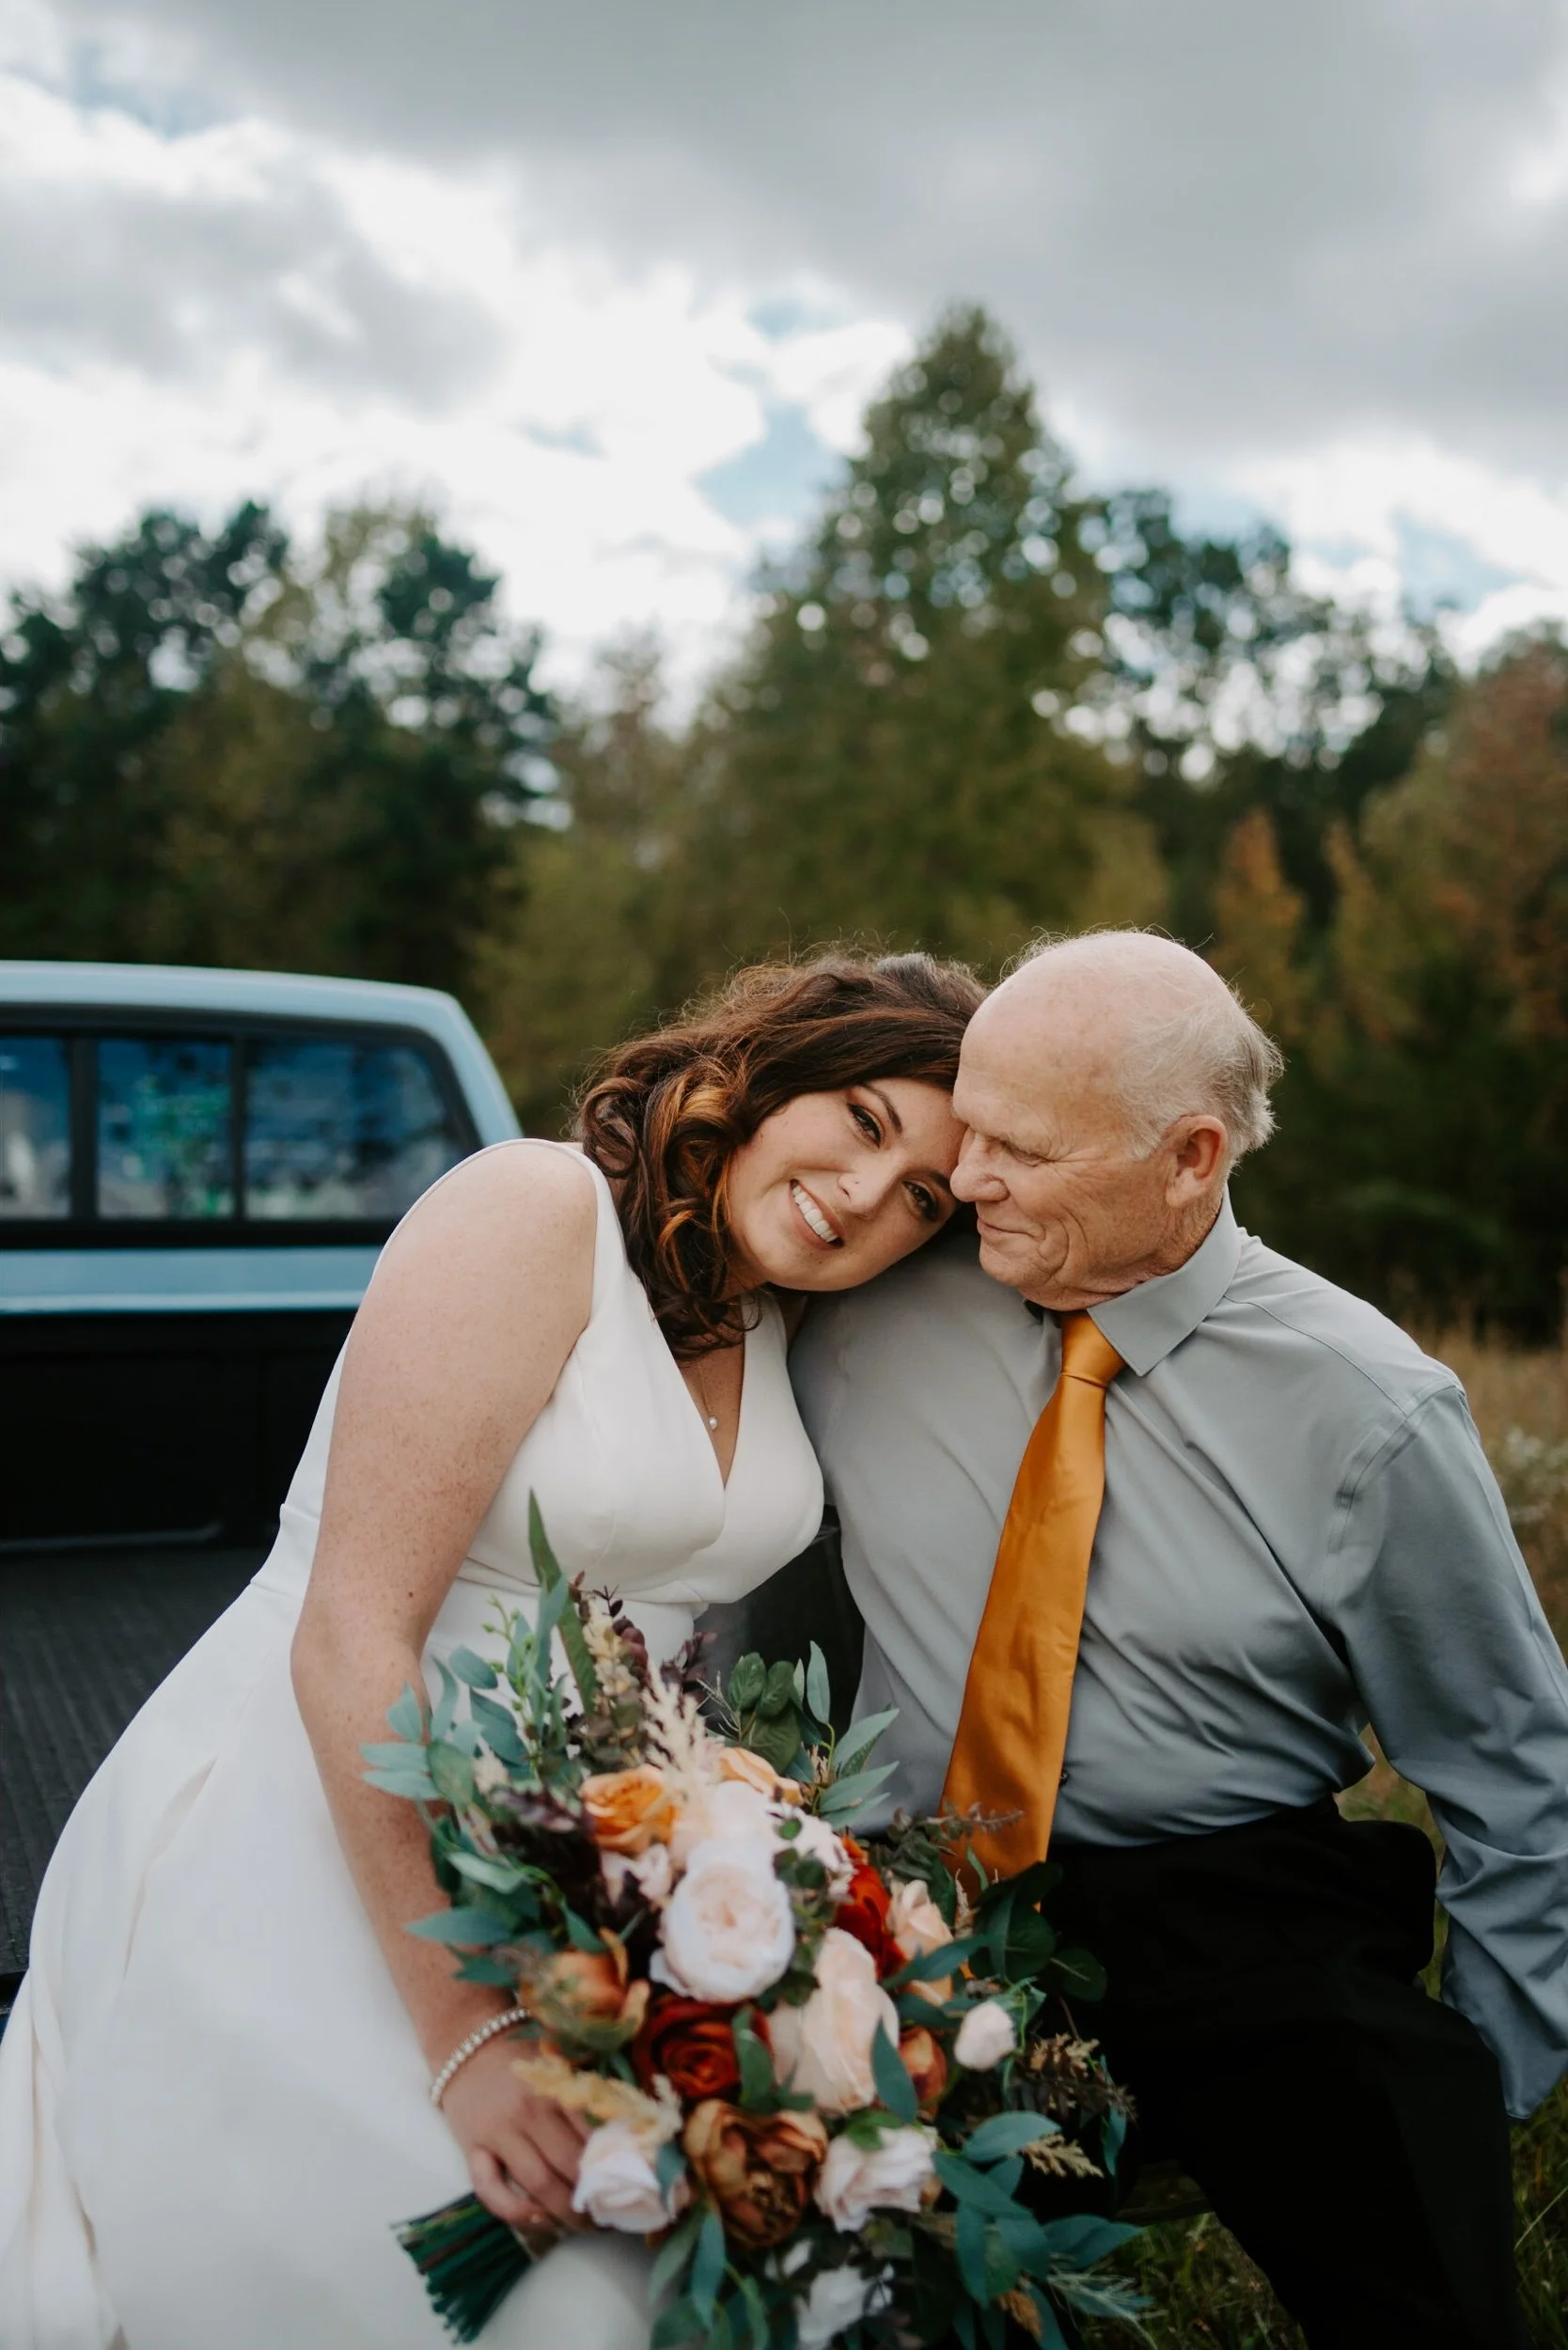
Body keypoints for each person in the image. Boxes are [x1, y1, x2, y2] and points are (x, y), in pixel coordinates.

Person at [0, 950, 982, 2350]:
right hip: (340, 1785)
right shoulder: (533, 1209)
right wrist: (463, 2034)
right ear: (770, 1072)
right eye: (868, 1124)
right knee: (407, 2257)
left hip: (586, 1849)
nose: (868, 1201)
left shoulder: (774, 1319)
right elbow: (354, 1626)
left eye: (923, 1201)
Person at [792, 930, 1568, 2350]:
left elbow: (1513, 1767)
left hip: (1234, 1916)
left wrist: (1482, 2081)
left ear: (1191, 1157)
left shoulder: (1370, 1407)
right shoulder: (871, 1295)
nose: (964, 1182)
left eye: (1018, 1150)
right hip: (906, 1900)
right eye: (969, 1132)